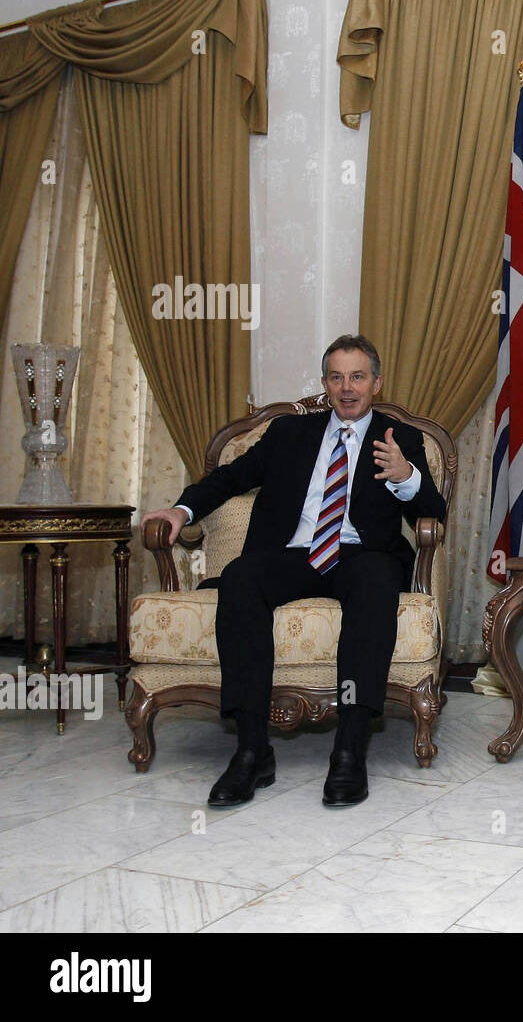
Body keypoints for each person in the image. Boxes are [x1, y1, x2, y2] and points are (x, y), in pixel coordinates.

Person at [141, 334, 446, 809]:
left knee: (375, 583)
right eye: (337, 377)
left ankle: (349, 747)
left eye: (358, 377)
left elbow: (434, 512)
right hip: (294, 554)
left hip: (361, 554)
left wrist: (407, 476)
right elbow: (230, 478)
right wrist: (182, 511)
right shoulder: (289, 433)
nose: (347, 388)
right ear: (325, 383)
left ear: (376, 383)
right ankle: (250, 750)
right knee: (241, 578)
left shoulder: (398, 437)